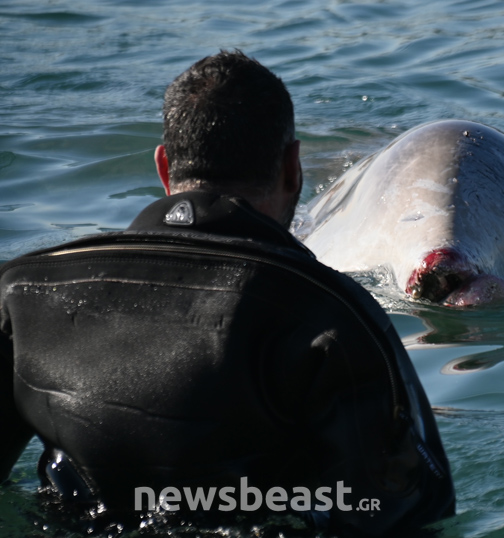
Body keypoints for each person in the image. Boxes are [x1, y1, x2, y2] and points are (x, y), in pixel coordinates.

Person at [0, 50, 455, 536]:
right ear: (292, 168)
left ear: (163, 167)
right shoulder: (330, 315)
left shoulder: (22, 291)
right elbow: (410, 511)